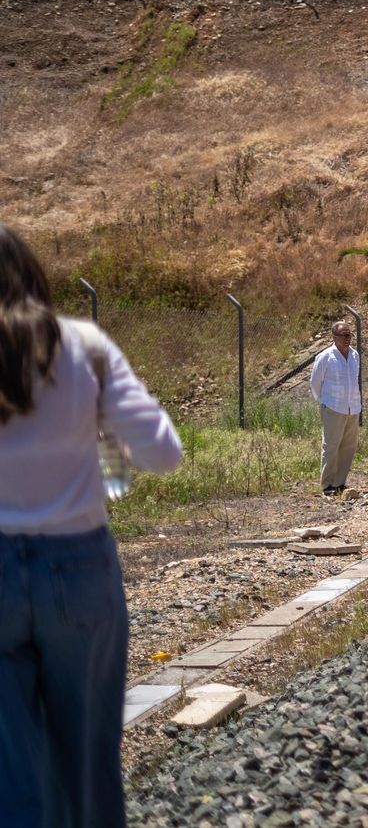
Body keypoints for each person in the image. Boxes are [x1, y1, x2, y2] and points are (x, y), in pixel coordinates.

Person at [0, 223, 183, 828]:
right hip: (79, 567)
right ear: (35, 277)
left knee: (9, 769)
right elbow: (162, 452)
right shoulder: (83, 344)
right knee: (85, 762)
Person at [309, 320, 361, 496]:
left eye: (349, 335)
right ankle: (327, 484)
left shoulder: (355, 355)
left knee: (348, 446)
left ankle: (340, 483)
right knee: (331, 446)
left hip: (352, 408)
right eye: (343, 335)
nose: (347, 338)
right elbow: (315, 382)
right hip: (333, 407)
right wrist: (324, 401)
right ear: (334, 337)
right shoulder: (325, 357)